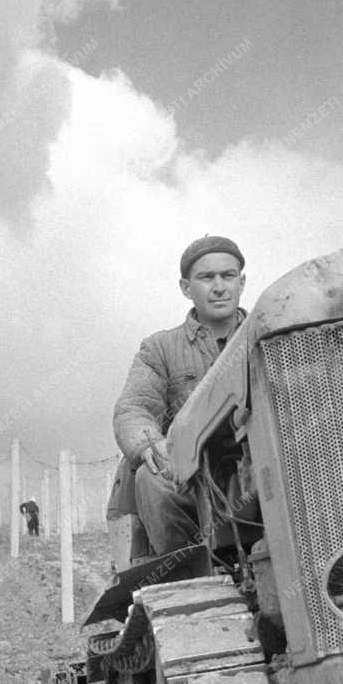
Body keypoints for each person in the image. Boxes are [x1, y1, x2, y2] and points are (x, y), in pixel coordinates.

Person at [112, 235, 246, 556]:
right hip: (194, 476)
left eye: (228, 276)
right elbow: (134, 407)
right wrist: (149, 444)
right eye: (206, 277)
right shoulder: (159, 349)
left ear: (242, 282)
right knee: (152, 477)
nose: (219, 286)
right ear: (187, 288)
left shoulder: (267, 332)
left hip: (260, 465)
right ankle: (185, 573)